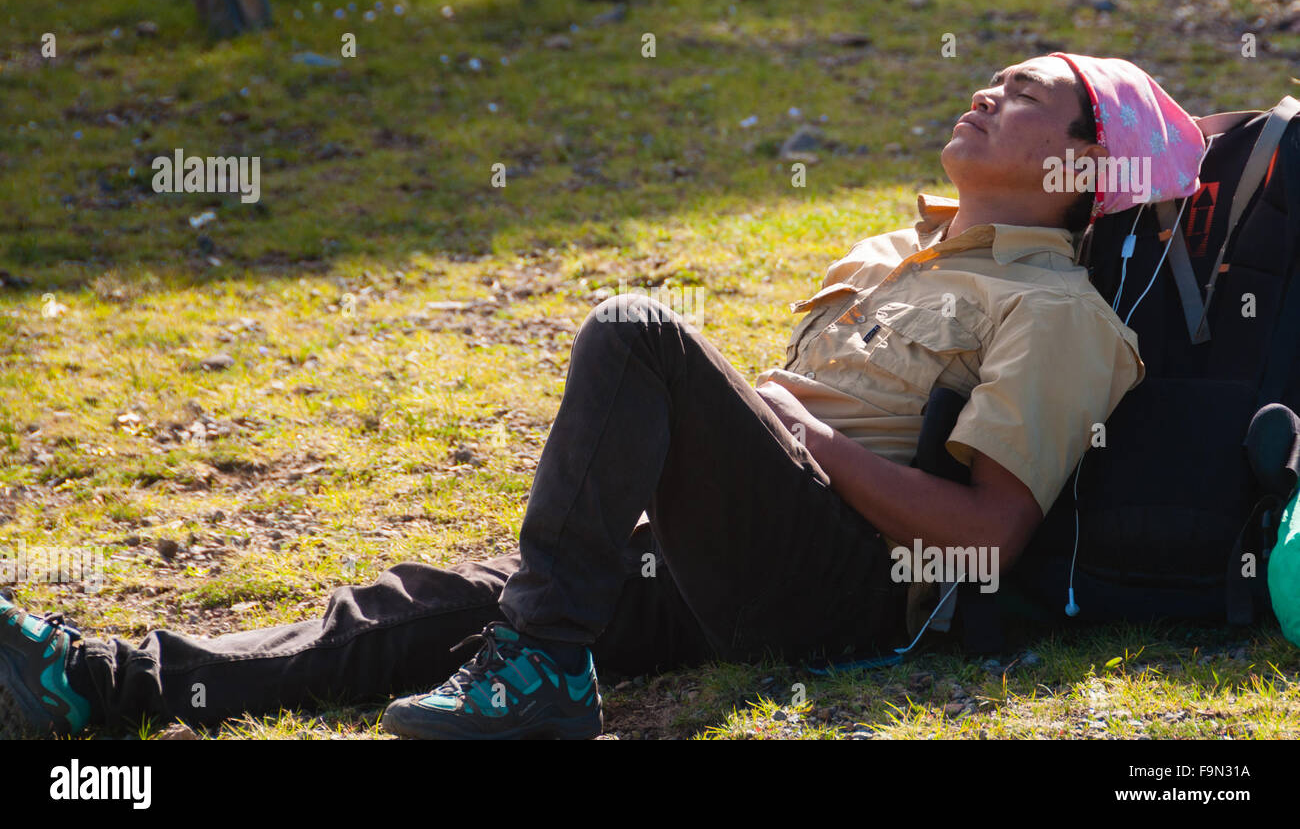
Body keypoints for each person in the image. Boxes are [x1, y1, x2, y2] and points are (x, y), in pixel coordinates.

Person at [0, 53, 1204, 740]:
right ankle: (105, 682)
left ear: (1078, 165)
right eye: (992, 77)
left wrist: (806, 441)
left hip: (849, 588)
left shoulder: (1058, 317)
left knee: (639, 331)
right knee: (422, 606)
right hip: (729, 550)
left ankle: (539, 673)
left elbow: (991, 537)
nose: (985, 90)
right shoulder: (902, 252)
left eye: (1024, 91)